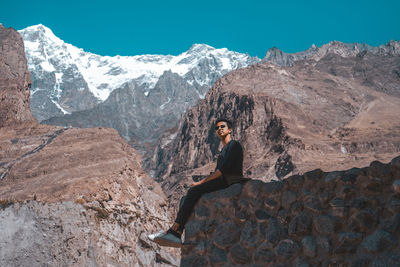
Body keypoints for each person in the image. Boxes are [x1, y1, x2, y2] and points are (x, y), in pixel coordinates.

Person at [148, 118, 249, 247]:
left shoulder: (234, 145)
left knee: (194, 191)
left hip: (230, 181)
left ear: (230, 129)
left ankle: (175, 230)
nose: (219, 129)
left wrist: (200, 182)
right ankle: (175, 231)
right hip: (225, 180)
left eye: (222, 126)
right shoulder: (224, 149)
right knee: (191, 194)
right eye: (217, 128)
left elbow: (221, 171)